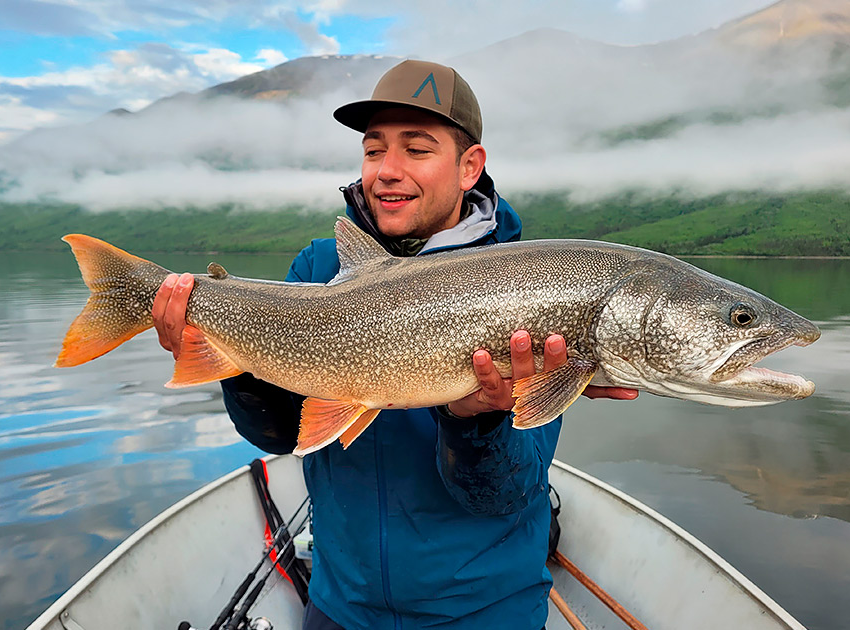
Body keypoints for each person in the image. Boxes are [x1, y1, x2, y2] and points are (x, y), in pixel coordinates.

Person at [153, 60, 637, 630]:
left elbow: (502, 496)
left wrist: (472, 420)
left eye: (417, 149)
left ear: (469, 167)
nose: (387, 170)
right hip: (340, 604)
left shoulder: (532, 287)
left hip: (482, 611)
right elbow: (281, 435)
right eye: (374, 149)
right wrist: (227, 353)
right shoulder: (319, 268)